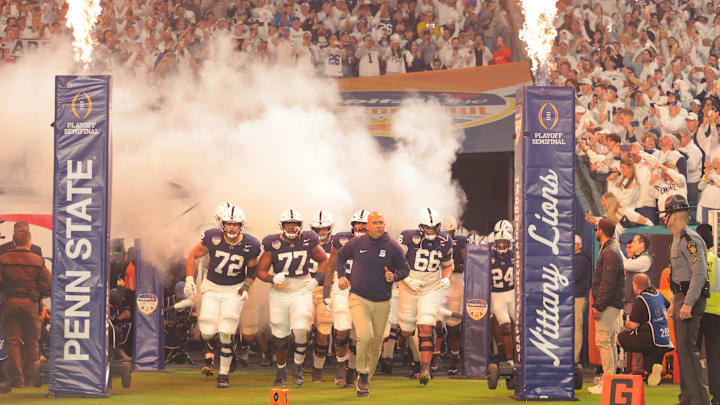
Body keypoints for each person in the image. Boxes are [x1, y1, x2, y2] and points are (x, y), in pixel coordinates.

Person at [184, 202, 261, 388]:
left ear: (241, 225)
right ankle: (226, 350)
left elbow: (252, 272)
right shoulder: (212, 237)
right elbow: (193, 255)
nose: (231, 227)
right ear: (223, 224)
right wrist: (189, 278)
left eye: (235, 224)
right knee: (207, 332)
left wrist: (246, 287)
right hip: (212, 288)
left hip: (234, 289)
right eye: (228, 223)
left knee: (226, 332)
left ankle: (223, 374)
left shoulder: (251, 244)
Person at [335, 211, 411, 397]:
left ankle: (367, 377)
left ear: (385, 225)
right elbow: (340, 257)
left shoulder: (393, 247)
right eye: (374, 222)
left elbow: (405, 269)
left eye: (381, 222)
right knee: (364, 336)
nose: (378, 225)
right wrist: (342, 276)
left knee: (377, 343)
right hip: (358, 297)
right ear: (367, 226)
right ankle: (361, 373)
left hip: (382, 300)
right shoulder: (356, 243)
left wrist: (394, 276)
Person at [255, 209, 328, 387]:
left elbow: (324, 260)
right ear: (282, 226)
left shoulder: (309, 240)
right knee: (280, 336)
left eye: (295, 224)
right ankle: (281, 369)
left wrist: (316, 280)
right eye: (288, 224)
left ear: (300, 226)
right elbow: (259, 271)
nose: (292, 228)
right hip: (280, 292)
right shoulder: (273, 244)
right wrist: (272, 278)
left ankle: (298, 365)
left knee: (301, 329)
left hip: (301, 288)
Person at [659, 195, 711, 405]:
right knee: (683, 352)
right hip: (682, 296)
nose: (663, 219)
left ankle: (699, 401)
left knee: (689, 352)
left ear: (674, 215)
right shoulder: (679, 238)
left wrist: (688, 302)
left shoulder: (689, 240)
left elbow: (699, 273)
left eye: (666, 214)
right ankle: (688, 399)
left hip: (690, 297)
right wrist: (676, 302)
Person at [397, 208, 454, 385]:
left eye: (434, 227)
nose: (431, 231)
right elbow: (394, 262)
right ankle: (402, 338)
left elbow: (447, 265)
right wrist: (406, 278)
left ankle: (425, 369)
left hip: (430, 287)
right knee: (407, 328)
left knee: (427, 326)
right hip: (408, 286)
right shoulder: (407, 237)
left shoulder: (445, 240)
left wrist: (446, 278)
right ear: (420, 227)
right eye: (427, 228)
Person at [0, 221, 51, 393]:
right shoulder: (37, 259)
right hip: (30, 304)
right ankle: (29, 379)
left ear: (14, 240)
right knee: (32, 342)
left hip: (9, 304)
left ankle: (17, 380)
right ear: (28, 241)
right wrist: (36, 294)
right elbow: (48, 284)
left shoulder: (3, 258)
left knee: (12, 342)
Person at [324, 209, 369, 387]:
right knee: (341, 327)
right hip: (342, 286)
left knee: (359, 334)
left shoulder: (380, 243)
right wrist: (326, 293)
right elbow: (331, 265)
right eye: (358, 224)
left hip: (365, 290)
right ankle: (341, 365)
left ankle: (352, 369)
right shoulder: (341, 239)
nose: (360, 227)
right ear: (352, 225)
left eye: (364, 224)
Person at [588, 217, 625, 395]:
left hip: (608, 304)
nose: (596, 231)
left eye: (597, 228)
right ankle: (609, 380)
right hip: (612, 304)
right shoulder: (611, 249)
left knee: (603, 342)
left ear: (601, 230)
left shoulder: (609, 251)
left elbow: (607, 283)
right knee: (609, 342)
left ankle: (608, 383)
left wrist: (598, 305)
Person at [308, 209, 334, 382]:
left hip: (327, 290)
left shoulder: (338, 244)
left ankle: (317, 370)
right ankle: (299, 363)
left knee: (324, 333)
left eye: (324, 229)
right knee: (300, 331)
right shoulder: (304, 242)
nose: (321, 233)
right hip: (305, 290)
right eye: (318, 229)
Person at [696, 223, 719, 405]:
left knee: (692, 354)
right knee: (715, 355)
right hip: (716, 314)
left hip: (696, 312)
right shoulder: (719, 263)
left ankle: (695, 392)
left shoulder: (694, 261)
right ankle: (717, 395)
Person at [441, 216, 467, 375]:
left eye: (449, 232)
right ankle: (433, 358)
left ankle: (454, 356)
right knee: (434, 322)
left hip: (455, 280)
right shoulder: (430, 240)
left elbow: (468, 261)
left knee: (454, 324)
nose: (446, 236)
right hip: (435, 279)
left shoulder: (462, 242)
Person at [489, 227, 515, 368]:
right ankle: (509, 359)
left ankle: (521, 356)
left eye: (505, 243)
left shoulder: (516, 255)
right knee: (504, 326)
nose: (502, 245)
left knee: (520, 326)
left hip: (512, 292)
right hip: (497, 295)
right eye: (500, 243)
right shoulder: (489, 257)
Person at [574, 234, 591, 367]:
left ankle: (575, 358)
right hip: (570, 297)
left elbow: (574, 277)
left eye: (575, 244)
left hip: (578, 297)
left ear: (580, 245)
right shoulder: (571, 258)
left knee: (577, 327)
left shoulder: (581, 259)